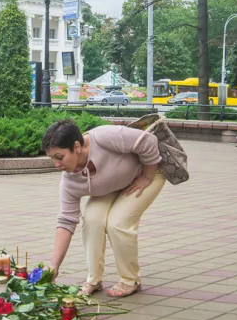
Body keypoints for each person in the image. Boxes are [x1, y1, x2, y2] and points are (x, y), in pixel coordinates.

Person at [42, 120, 165, 297]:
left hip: (146, 173)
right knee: (92, 219)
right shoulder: (70, 180)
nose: (56, 164)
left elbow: (148, 142)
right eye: (52, 158)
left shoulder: (104, 138)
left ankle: (130, 280)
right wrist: (54, 266)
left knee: (118, 223)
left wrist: (147, 176)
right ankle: (94, 279)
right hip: (114, 184)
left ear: (76, 146)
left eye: (59, 157)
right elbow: (66, 221)